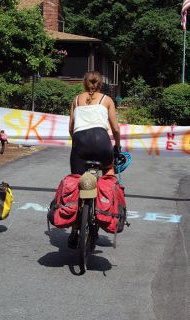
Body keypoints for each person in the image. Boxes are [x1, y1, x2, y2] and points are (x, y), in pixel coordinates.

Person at [68, 71, 121, 247]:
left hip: (80, 143)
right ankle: (106, 209)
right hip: (101, 142)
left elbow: (71, 128)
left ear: (84, 83)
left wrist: (77, 142)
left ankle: (75, 230)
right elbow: (115, 129)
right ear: (100, 84)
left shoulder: (76, 100)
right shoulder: (107, 100)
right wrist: (117, 147)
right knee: (109, 173)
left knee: (77, 181)